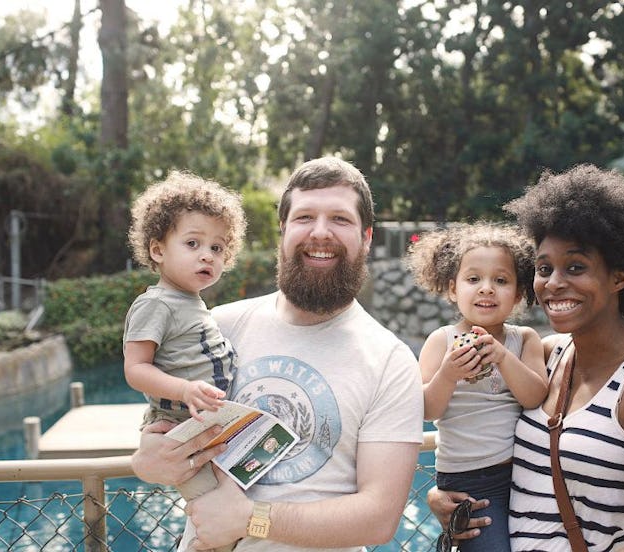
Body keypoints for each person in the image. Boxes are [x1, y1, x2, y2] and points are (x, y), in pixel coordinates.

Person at [130, 157, 425, 552]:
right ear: (283, 229)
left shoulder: (391, 362)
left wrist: (250, 519)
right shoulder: (220, 326)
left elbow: (378, 518)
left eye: (340, 219)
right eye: (305, 217)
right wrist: (146, 460)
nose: (320, 233)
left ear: (367, 236)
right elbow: (163, 422)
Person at [428, 164, 624, 550]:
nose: (554, 283)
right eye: (543, 268)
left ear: (619, 277)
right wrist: (443, 496)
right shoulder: (547, 354)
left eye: (575, 267)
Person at [123, 170, 247, 552]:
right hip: (178, 429)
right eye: (193, 243)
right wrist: (185, 389)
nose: (207, 255)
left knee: (234, 505)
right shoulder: (155, 303)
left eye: (218, 247)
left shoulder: (193, 303)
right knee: (213, 514)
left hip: (207, 423)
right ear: (158, 250)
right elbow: (135, 369)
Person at [405, 222, 547, 551]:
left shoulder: (523, 339)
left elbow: (535, 397)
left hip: (524, 473)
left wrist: (502, 357)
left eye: (501, 280)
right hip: (468, 482)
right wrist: (448, 374)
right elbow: (426, 410)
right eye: (473, 279)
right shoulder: (442, 341)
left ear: (519, 294)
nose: (486, 288)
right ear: (453, 289)